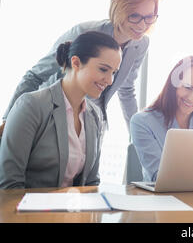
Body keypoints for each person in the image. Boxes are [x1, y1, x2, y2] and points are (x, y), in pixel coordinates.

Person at [0, 0, 160, 135]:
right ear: (119, 10)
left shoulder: (141, 44)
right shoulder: (84, 33)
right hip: (53, 115)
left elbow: (126, 88)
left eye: (149, 17)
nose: (142, 25)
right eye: (135, 16)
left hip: (92, 121)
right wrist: (9, 121)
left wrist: (137, 135)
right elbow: (35, 76)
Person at [0, 31, 122, 188]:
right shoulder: (31, 106)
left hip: (73, 210)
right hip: (29, 210)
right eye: (104, 70)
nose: (110, 80)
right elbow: (9, 185)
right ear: (76, 63)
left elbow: (91, 183)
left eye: (113, 72)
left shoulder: (95, 115)